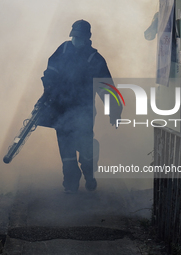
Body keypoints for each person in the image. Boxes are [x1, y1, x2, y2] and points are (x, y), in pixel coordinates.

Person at [37, 20, 122, 193]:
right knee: (67, 152)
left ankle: (89, 175)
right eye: (74, 37)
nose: (76, 41)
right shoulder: (63, 49)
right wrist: (49, 92)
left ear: (88, 38)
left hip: (84, 112)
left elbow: (107, 87)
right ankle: (70, 185)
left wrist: (114, 110)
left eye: (79, 37)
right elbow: (50, 73)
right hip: (61, 111)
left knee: (85, 149)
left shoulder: (95, 59)